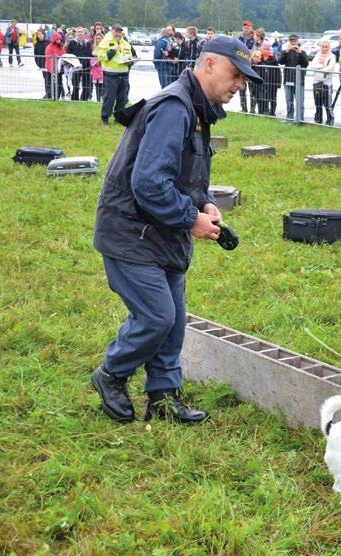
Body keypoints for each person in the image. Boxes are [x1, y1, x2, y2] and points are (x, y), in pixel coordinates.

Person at [91, 36, 263, 425]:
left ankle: (164, 399)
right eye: (236, 75)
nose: (240, 85)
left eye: (245, 79)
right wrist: (190, 219)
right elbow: (149, 183)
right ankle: (110, 375)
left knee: (173, 320)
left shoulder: (198, 110)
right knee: (156, 317)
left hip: (161, 232)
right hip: (131, 233)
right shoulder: (175, 108)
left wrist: (203, 203)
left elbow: (182, 174)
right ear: (209, 65)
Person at [97, 24, 134, 125]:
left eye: (120, 31)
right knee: (109, 97)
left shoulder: (126, 43)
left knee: (122, 98)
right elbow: (101, 57)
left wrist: (131, 61)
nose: (118, 33)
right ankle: (105, 117)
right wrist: (113, 51)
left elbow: (130, 56)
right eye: (116, 31)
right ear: (112, 31)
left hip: (124, 73)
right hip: (111, 74)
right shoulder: (105, 42)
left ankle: (119, 118)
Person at [277, 34, 308, 120]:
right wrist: (286, 52)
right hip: (288, 79)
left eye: (294, 41)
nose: (293, 43)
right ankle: (289, 118)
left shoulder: (302, 52)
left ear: (297, 41)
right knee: (289, 101)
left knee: (300, 101)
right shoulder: (286, 51)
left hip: (299, 81)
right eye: (291, 41)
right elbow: (280, 61)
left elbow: (306, 64)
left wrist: (300, 53)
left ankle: (300, 119)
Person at [309, 40, 337, 125]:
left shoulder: (332, 56)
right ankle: (318, 119)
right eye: (323, 46)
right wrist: (321, 66)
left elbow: (330, 68)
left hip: (326, 83)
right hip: (316, 81)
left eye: (326, 47)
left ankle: (330, 120)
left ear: (329, 47)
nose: (324, 48)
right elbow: (312, 66)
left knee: (327, 103)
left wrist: (320, 69)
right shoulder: (317, 55)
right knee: (317, 102)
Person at [255, 43, 281, 116]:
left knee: (273, 98)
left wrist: (278, 83)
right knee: (262, 97)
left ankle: (272, 112)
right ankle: (262, 111)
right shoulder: (259, 58)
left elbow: (278, 72)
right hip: (262, 82)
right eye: (264, 49)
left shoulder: (273, 59)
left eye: (267, 49)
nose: (266, 51)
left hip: (272, 82)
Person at [67, 28, 93, 101]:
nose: (80, 33)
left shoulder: (88, 43)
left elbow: (90, 54)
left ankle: (84, 100)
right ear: (76, 33)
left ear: (84, 33)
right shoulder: (72, 43)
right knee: (75, 85)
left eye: (81, 32)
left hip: (86, 67)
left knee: (86, 86)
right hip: (75, 67)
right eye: (78, 32)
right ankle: (75, 99)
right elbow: (68, 54)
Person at [44, 31, 66, 99]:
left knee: (59, 84)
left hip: (58, 69)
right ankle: (49, 97)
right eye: (57, 39)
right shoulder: (49, 48)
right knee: (50, 85)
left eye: (59, 39)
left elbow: (64, 55)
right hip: (50, 69)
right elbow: (49, 59)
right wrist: (52, 70)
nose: (58, 41)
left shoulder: (61, 46)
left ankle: (57, 97)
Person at [33, 29, 49, 98]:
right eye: (38, 34)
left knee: (51, 79)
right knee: (45, 79)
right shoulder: (36, 44)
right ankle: (47, 93)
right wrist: (38, 63)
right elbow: (36, 55)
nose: (40, 36)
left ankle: (58, 91)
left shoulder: (48, 42)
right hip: (42, 65)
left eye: (41, 34)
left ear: (44, 35)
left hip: (49, 64)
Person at [90, 33, 105, 102]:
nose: (98, 40)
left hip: (103, 69)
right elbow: (90, 57)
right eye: (97, 38)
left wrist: (101, 62)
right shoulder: (93, 47)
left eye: (100, 38)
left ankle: (103, 99)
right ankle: (98, 100)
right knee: (97, 86)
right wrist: (94, 63)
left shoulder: (105, 47)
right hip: (95, 69)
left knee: (102, 86)